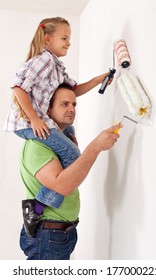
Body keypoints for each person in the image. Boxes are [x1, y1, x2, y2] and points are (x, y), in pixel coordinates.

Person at [4, 17, 114, 228]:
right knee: (73, 156)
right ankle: (37, 206)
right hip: (28, 124)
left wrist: (97, 80)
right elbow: (18, 88)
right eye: (64, 38)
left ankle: (40, 200)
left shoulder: (56, 66)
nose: (69, 43)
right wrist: (34, 119)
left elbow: (73, 91)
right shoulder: (43, 60)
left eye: (69, 38)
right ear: (47, 39)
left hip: (40, 120)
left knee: (69, 132)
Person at [19, 84, 122, 260]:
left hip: (59, 233)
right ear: (48, 109)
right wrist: (95, 147)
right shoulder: (38, 145)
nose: (71, 109)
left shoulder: (64, 140)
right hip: (48, 235)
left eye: (74, 104)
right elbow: (62, 185)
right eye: (64, 104)